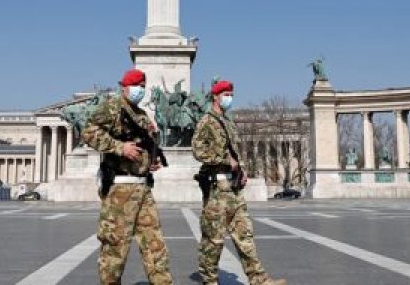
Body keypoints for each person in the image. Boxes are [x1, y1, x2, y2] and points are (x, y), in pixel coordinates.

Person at [82, 68, 174, 285]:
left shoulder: (141, 115)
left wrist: (151, 162)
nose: (140, 90)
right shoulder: (112, 107)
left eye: (143, 87)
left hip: (143, 189)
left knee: (155, 245)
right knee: (115, 248)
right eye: (136, 86)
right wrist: (119, 147)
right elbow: (89, 131)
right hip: (120, 191)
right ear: (124, 87)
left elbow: (145, 145)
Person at [192, 80, 286, 285]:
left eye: (231, 94)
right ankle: (209, 280)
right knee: (213, 239)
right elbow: (198, 151)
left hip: (233, 189)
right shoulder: (206, 121)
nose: (229, 98)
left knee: (245, 236)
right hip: (216, 190)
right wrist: (226, 161)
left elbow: (233, 154)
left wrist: (240, 171)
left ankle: (259, 279)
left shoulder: (228, 122)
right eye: (226, 94)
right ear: (215, 96)